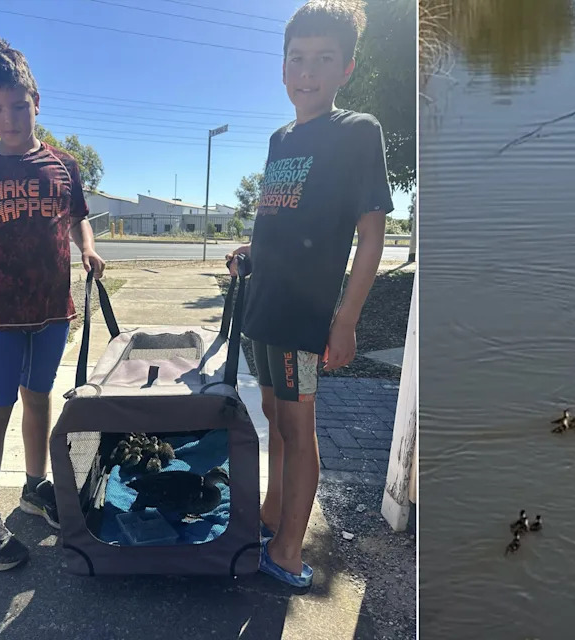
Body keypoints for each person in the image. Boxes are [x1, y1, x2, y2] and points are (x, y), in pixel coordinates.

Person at [226, 0, 393, 587]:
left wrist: (345, 320)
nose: (308, 71)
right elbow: (273, 217)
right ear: (282, 67)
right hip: (263, 307)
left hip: (305, 317)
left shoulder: (357, 132)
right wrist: (250, 253)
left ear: (346, 68)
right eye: (298, 58)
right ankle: (273, 518)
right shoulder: (280, 138)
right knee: (274, 416)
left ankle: (290, 550)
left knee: (301, 431)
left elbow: (371, 234)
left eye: (324, 59)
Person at [0, 39, 105, 571]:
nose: (8, 118)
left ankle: (35, 487)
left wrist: (87, 245)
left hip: (52, 310)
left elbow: (77, 215)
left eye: (18, 105)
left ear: (37, 99)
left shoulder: (64, 164)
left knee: (40, 399)